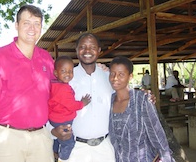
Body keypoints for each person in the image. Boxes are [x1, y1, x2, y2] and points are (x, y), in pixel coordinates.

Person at [52, 33, 156, 162]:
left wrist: (144, 95)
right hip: (74, 149)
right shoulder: (66, 78)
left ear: (99, 50)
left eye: (92, 47)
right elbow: (50, 105)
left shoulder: (109, 77)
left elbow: (125, 96)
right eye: (83, 46)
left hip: (105, 148)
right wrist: (53, 131)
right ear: (76, 50)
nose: (87, 51)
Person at [0, 5, 55, 162]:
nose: (32, 28)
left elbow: (60, 89)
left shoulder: (46, 58)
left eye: (37, 23)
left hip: (41, 139)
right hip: (8, 140)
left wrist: (101, 69)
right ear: (16, 25)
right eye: (26, 23)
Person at [108, 56, 175, 162]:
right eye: (112, 74)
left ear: (130, 76)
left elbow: (157, 135)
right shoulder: (110, 101)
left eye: (121, 74)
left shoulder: (142, 100)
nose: (115, 78)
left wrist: (166, 158)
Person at [48, 56, 91, 161]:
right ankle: (63, 157)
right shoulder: (62, 89)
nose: (67, 74)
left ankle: (54, 151)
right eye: (63, 71)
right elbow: (71, 105)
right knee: (69, 142)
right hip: (63, 120)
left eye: (70, 71)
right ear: (56, 73)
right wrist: (82, 103)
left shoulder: (55, 84)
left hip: (54, 118)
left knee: (58, 139)